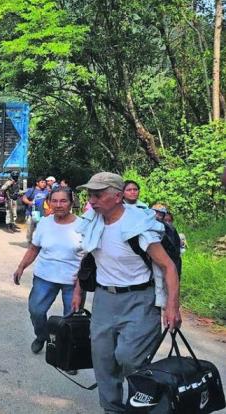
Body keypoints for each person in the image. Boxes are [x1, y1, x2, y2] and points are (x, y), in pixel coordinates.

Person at [72, 172, 181, 413]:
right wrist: (78, 291)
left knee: (129, 357)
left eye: (98, 194)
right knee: (103, 360)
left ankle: (147, 403)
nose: (91, 199)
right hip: (104, 299)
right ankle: (112, 409)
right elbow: (87, 259)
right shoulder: (92, 222)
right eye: (90, 194)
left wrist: (172, 306)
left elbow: (168, 266)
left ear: (118, 196)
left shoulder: (138, 225)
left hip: (139, 300)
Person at [13, 188, 83, 369]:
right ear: (49, 202)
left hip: (73, 281)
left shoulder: (83, 225)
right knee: (35, 310)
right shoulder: (44, 223)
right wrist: (21, 267)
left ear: (71, 202)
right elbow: (34, 248)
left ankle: (69, 356)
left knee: (71, 320)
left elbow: (89, 258)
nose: (59, 205)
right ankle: (42, 335)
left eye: (63, 201)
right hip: (45, 277)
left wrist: (80, 286)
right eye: (55, 201)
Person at [22, 177, 49, 244]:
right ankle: (29, 241)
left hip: (43, 214)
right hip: (32, 213)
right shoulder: (31, 190)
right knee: (30, 230)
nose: (44, 184)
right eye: (42, 182)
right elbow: (24, 198)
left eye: (44, 182)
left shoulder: (46, 191)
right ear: (37, 183)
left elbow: (49, 200)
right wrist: (29, 203)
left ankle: (38, 243)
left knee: (41, 229)